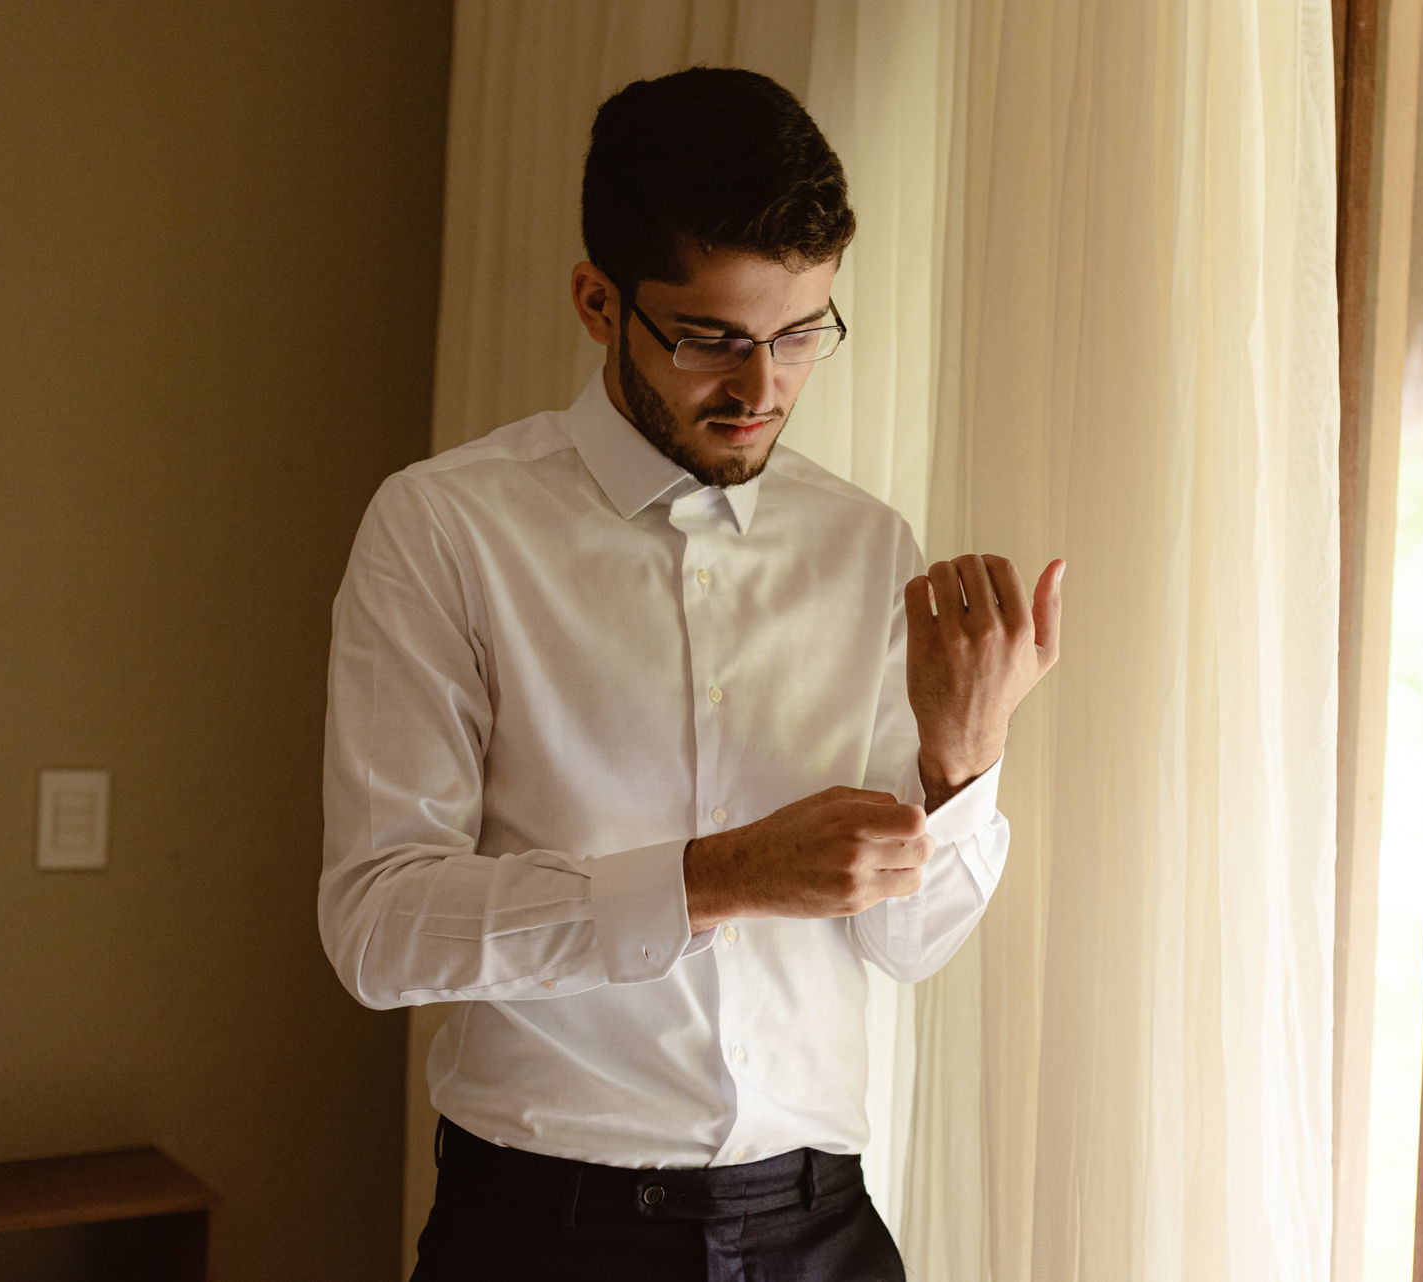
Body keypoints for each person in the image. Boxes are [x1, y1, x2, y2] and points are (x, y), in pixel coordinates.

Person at [318, 66, 1064, 1280]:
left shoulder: (865, 545)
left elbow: (906, 944)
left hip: (821, 1226)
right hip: (544, 1235)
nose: (763, 389)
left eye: (801, 333)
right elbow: (379, 928)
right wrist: (716, 877)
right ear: (597, 301)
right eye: (713, 338)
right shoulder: (444, 528)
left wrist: (961, 763)